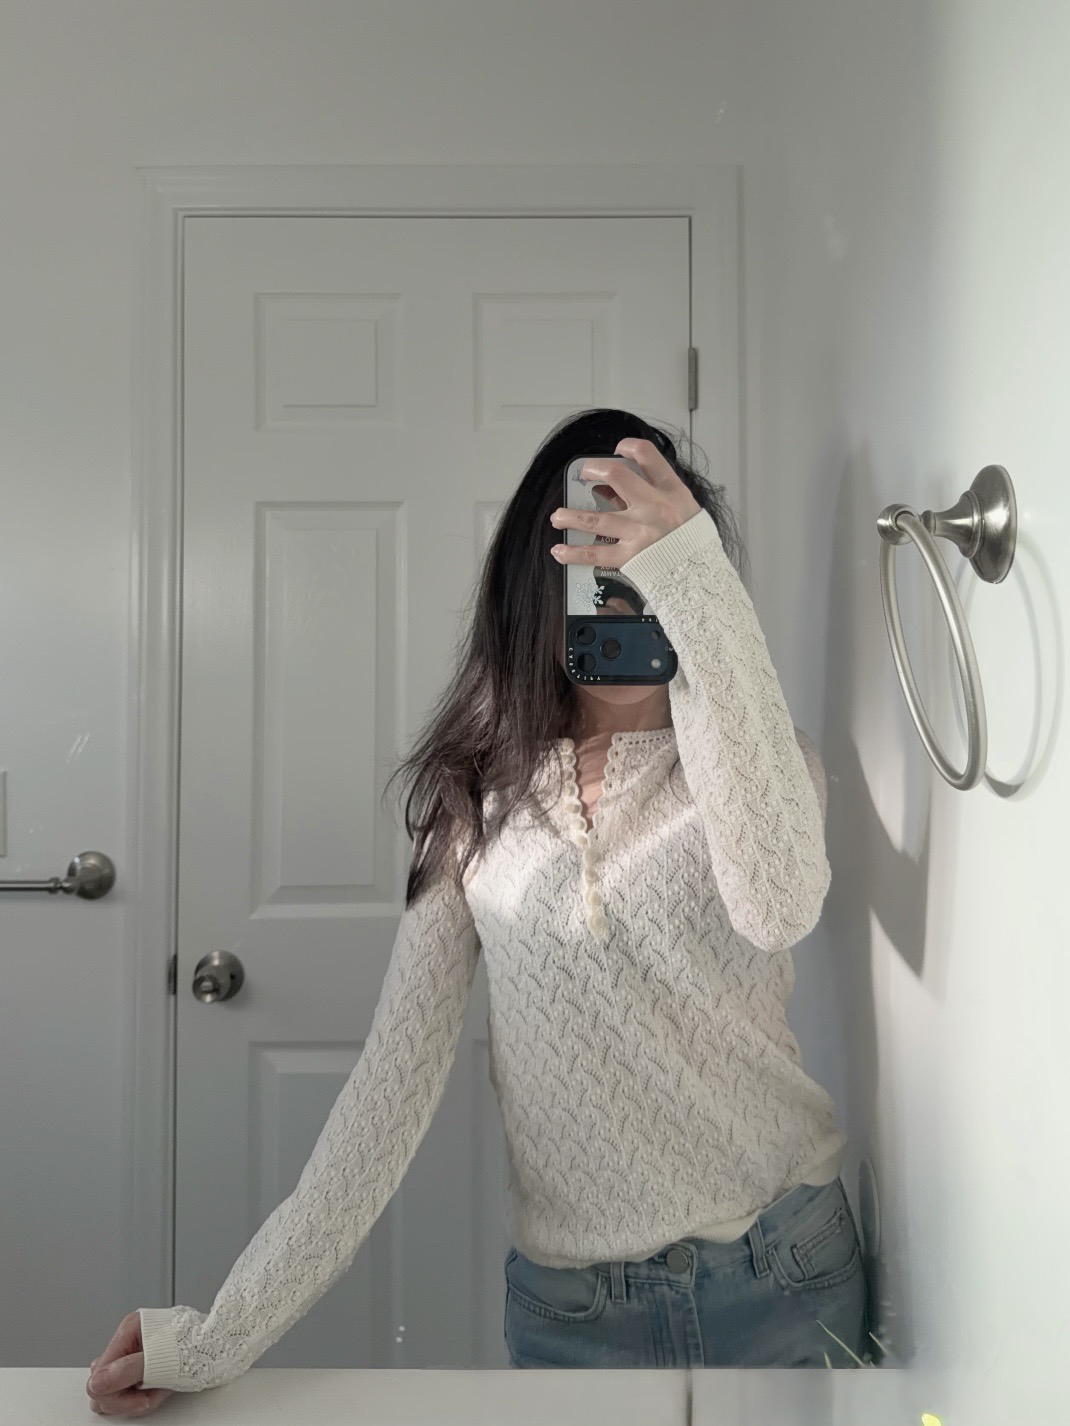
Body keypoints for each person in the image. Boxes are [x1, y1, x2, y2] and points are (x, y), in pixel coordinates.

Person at [86, 409, 869, 1415]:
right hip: (578, 1319)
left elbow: (777, 908)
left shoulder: (760, 762)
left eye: (652, 568)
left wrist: (697, 579)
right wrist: (219, 1333)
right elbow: (387, 1096)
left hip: (784, 1270)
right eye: (600, 569)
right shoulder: (474, 802)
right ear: (541, 587)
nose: (628, 600)